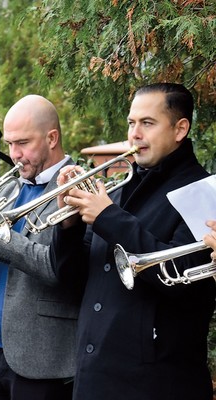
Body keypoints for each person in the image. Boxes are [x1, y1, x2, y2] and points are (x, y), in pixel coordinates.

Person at [52, 83, 215, 400]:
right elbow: (70, 280)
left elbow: (181, 278)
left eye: (147, 123)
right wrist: (69, 225)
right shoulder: (118, 189)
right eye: (131, 123)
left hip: (154, 383)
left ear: (180, 129)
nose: (135, 134)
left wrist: (109, 217)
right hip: (95, 376)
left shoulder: (204, 192)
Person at [0, 95, 79, 400]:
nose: (14, 154)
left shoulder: (76, 186)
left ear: (52, 138)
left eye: (22, 143)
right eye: (10, 144)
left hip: (42, 358)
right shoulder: (7, 188)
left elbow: (54, 267)